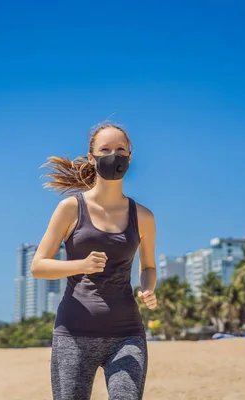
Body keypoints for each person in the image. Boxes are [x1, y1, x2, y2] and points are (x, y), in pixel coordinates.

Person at [31, 122, 158, 400]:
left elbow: (148, 266)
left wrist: (148, 289)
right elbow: (38, 266)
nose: (114, 155)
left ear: (130, 157)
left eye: (120, 149)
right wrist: (81, 265)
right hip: (74, 334)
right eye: (105, 149)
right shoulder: (70, 208)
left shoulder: (144, 217)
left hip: (127, 334)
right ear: (92, 157)